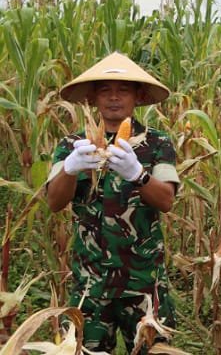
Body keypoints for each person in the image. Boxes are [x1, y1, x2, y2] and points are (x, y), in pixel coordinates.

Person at [46, 51, 179, 353]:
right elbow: (54, 202)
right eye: (105, 90)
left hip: (144, 282)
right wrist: (70, 168)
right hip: (90, 284)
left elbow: (167, 200)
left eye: (123, 90)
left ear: (138, 96)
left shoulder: (157, 143)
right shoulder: (73, 145)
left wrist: (138, 174)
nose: (114, 98)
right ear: (93, 97)